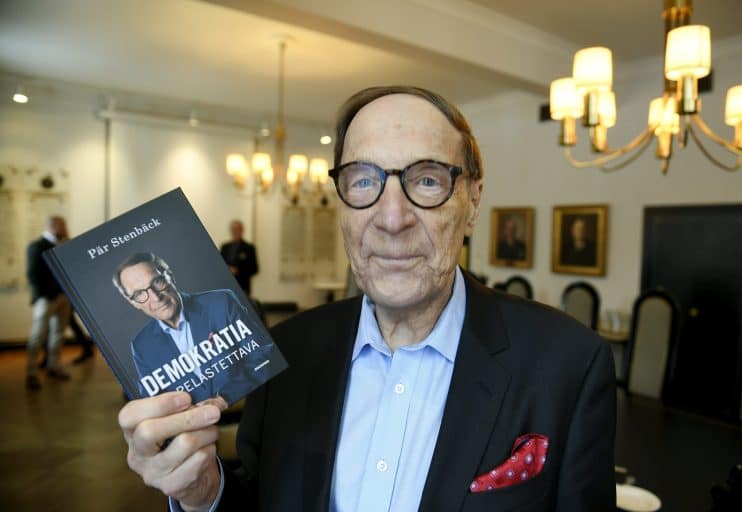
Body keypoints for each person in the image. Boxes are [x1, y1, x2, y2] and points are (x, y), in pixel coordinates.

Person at [119, 86, 616, 511]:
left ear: (472, 202)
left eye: (427, 180)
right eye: (363, 181)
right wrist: (205, 493)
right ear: (342, 204)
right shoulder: (287, 353)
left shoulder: (568, 365)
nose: (392, 218)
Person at [112, 252, 276, 406]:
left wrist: (225, 398)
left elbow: (264, 355)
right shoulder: (141, 345)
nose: (156, 297)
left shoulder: (221, 303)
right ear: (132, 302)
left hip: (244, 407)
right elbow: (153, 400)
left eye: (157, 281)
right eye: (139, 294)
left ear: (170, 276)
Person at [25, 215, 71, 390]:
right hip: (45, 299)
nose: (66, 228)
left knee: (58, 334)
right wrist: (44, 296)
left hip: (63, 297)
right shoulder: (36, 246)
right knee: (38, 335)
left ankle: (54, 366)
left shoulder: (65, 244)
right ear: (54, 226)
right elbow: (32, 275)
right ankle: (31, 373)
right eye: (63, 225)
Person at [220, 220, 259, 296]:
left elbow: (255, 269)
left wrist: (238, 270)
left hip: (242, 287)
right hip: (226, 287)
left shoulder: (249, 248)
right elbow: (219, 265)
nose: (235, 231)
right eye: (233, 229)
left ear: (242, 230)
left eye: (237, 229)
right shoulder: (225, 247)